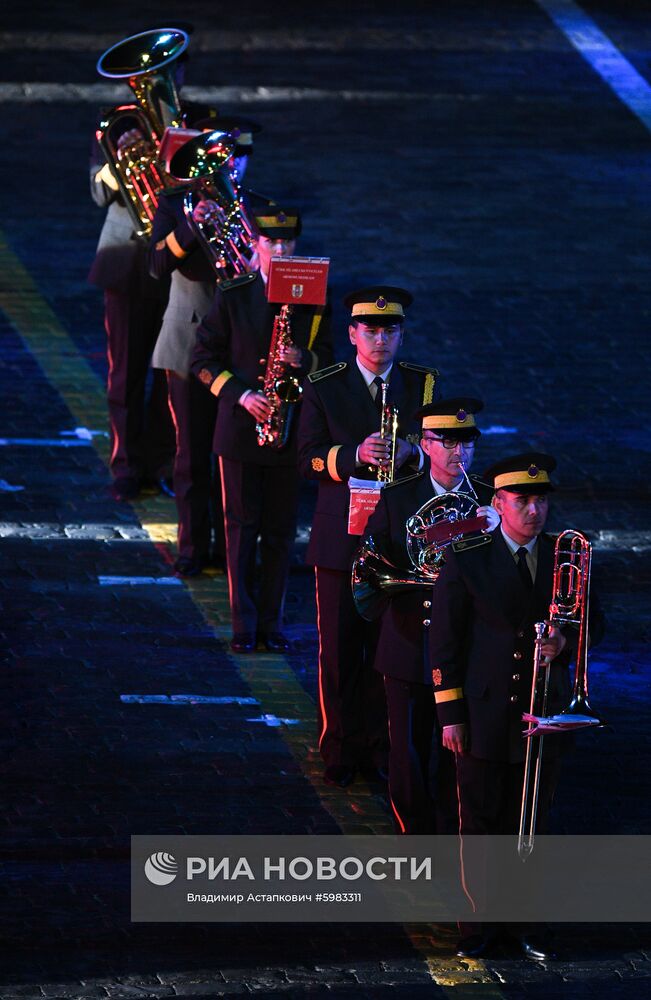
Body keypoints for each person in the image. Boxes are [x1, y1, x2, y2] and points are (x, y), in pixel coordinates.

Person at [428, 452, 604, 959]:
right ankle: (478, 926)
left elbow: (597, 622)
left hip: (544, 713)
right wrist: (451, 715)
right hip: (485, 712)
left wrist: (564, 645)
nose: (534, 511)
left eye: (540, 501)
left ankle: (526, 923)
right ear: (498, 503)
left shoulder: (565, 555)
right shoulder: (468, 557)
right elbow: (443, 644)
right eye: (522, 501)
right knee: (481, 822)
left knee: (532, 820)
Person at [297, 286, 439, 788]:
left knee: (390, 651)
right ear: (353, 334)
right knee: (337, 651)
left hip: (399, 542)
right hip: (342, 536)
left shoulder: (421, 385)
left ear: (401, 335)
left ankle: (383, 747)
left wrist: (414, 456)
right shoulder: (325, 384)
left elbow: (440, 454)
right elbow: (306, 456)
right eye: (371, 331)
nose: (381, 340)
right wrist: (353, 453)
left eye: (391, 331)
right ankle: (339, 746)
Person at [191, 207, 333, 651]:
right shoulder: (233, 294)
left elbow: (332, 361)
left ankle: (271, 626)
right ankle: (242, 626)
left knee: (279, 534)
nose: (279, 249)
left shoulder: (313, 300)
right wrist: (241, 395)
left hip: (290, 435)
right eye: (271, 243)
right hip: (239, 433)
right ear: (256, 246)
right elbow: (201, 361)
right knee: (240, 531)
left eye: (287, 243)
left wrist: (304, 361)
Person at [364, 397, 498, 833]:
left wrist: (494, 533)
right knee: (407, 748)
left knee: (454, 746)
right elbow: (379, 559)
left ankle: (448, 830)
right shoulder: (399, 496)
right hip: (408, 636)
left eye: (467, 443)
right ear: (424, 443)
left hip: (463, 645)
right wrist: (464, 530)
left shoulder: (490, 501)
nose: (459, 453)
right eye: (447, 442)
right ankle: (411, 831)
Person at [148, 114, 263, 575]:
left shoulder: (258, 208)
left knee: (231, 457)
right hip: (187, 342)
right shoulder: (176, 203)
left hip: (238, 350)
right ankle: (193, 549)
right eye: (223, 159)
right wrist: (192, 228)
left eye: (238, 158)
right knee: (191, 454)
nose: (231, 167)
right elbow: (156, 267)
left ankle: (231, 549)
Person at [88, 32, 194, 500]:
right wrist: (120, 163)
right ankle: (127, 466)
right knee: (126, 371)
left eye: (167, 74)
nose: (157, 84)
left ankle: (166, 461)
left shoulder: (198, 122)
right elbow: (98, 191)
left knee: (170, 370)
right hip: (128, 260)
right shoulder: (118, 125)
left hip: (178, 263)